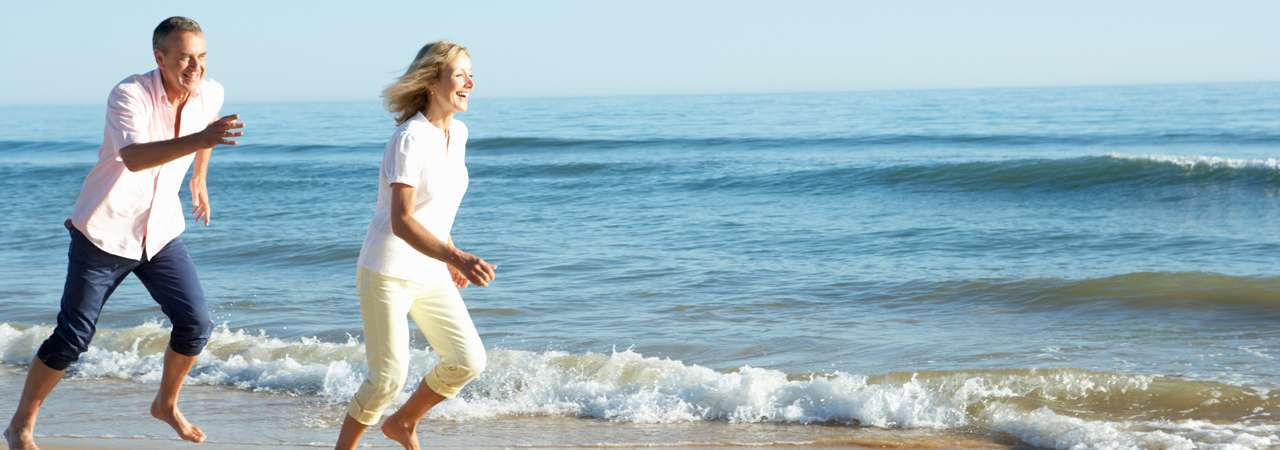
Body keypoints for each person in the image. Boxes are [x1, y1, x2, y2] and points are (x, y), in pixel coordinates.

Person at [3, 16, 244, 450]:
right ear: (160, 57)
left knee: (196, 324)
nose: (196, 67)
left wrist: (200, 179)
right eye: (185, 57)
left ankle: (165, 404)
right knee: (73, 336)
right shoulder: (128, 93)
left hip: (161, 231)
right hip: (104, 233)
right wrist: (201, 139)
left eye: (202, 57)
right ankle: (21, 424)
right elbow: (133, 157)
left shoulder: (211, 92)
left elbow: (207, 136)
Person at [334, 40, 495, 450]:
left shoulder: (458, 133)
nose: (470, 82)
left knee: (468, 360)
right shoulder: (409, 138)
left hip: (429, 269)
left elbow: (433, 207)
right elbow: (402, 219)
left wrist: (448, 254)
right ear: (431, 82)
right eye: (459, 74)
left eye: (470, 74)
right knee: (387, 378)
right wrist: (454, 255)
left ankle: (403, 424)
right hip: (386, 271)